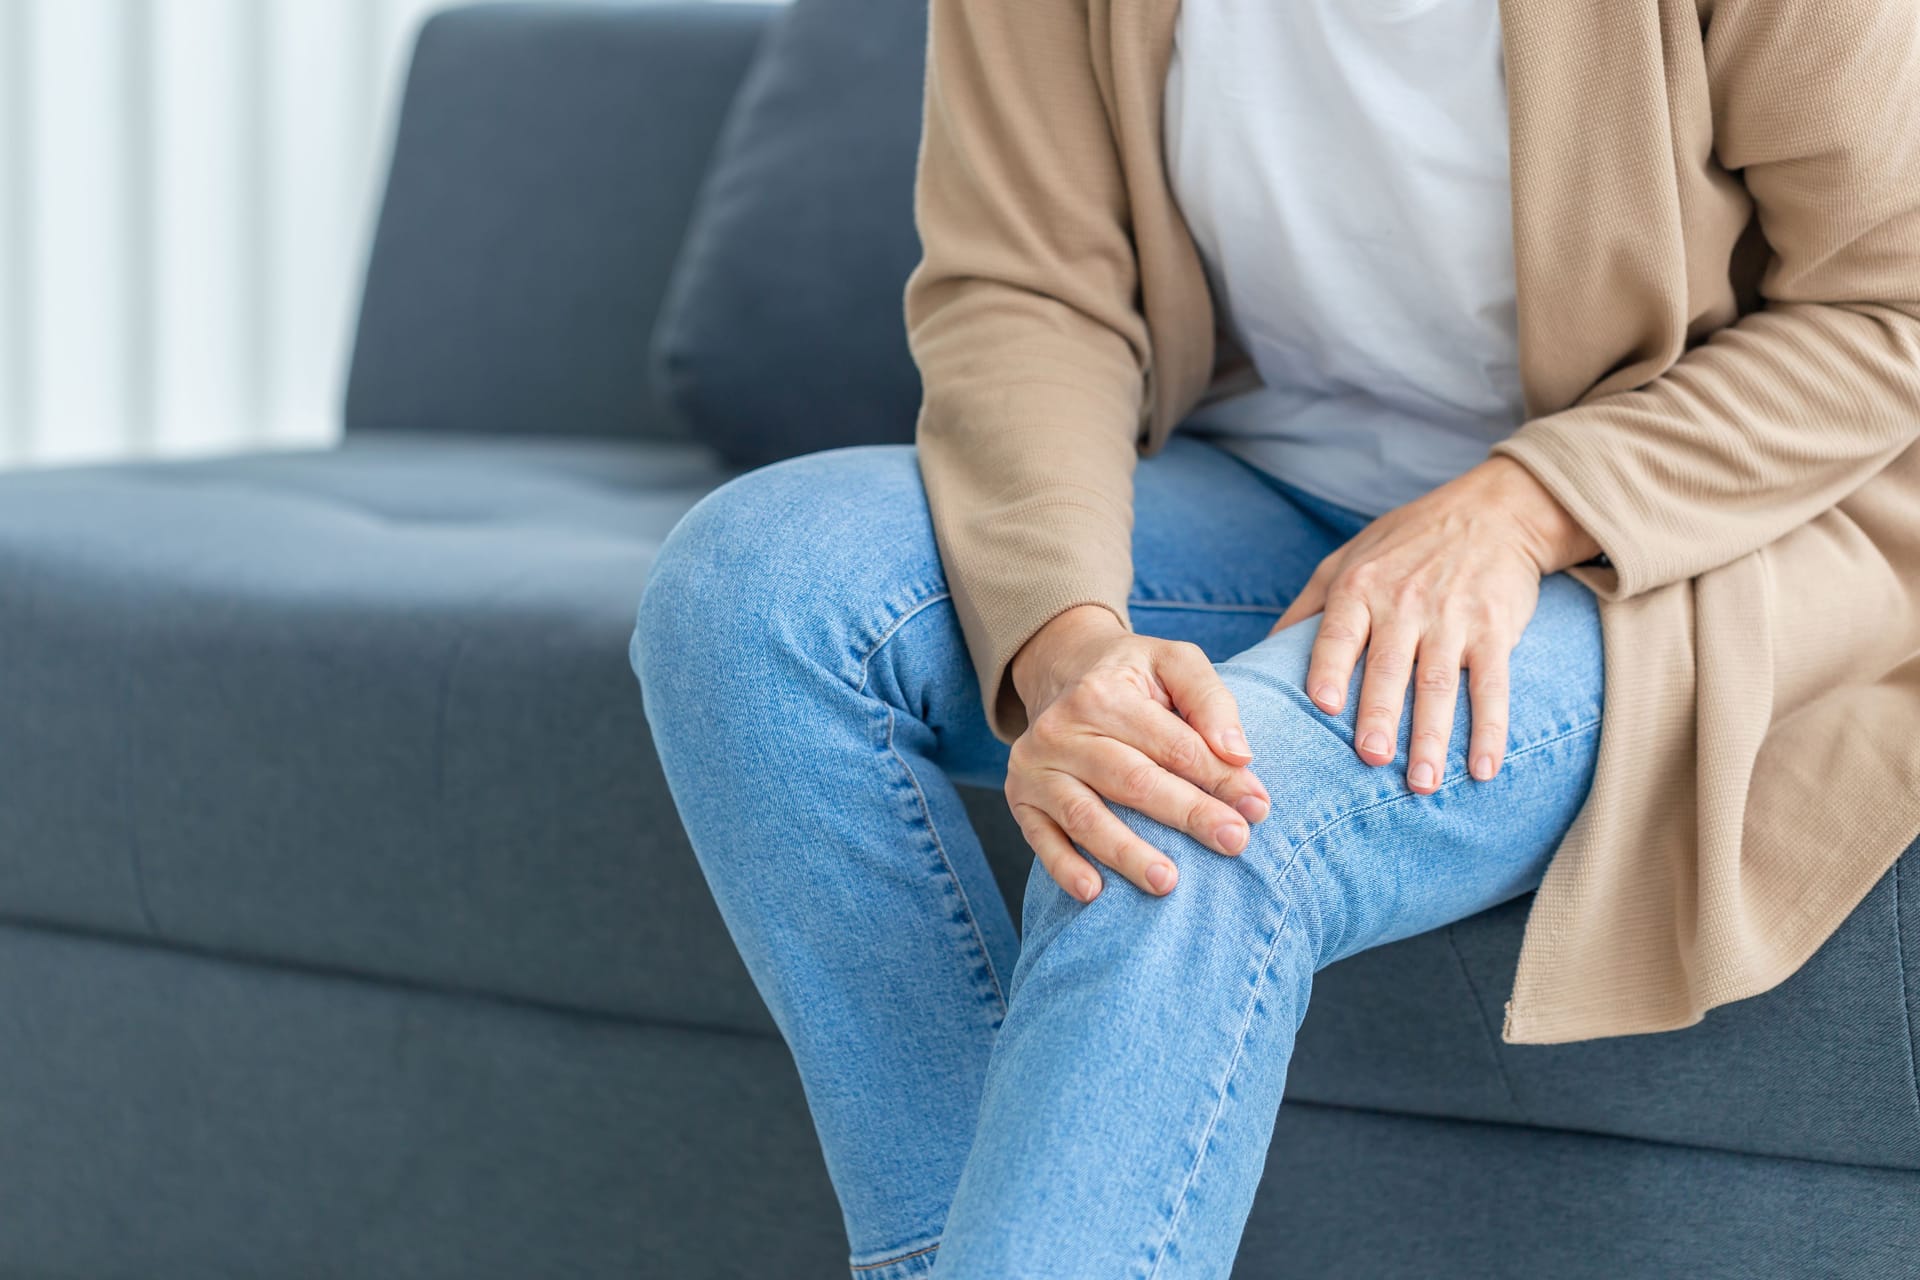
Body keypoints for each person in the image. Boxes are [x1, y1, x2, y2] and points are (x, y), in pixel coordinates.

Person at [631, 1, 1920, 1275]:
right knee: (754, 602)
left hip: (1672, 535)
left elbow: (1890, 309)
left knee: (1181, 820)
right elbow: (1027, 284)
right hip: (1266, 493)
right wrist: (1071, 648)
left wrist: (1523, 507)